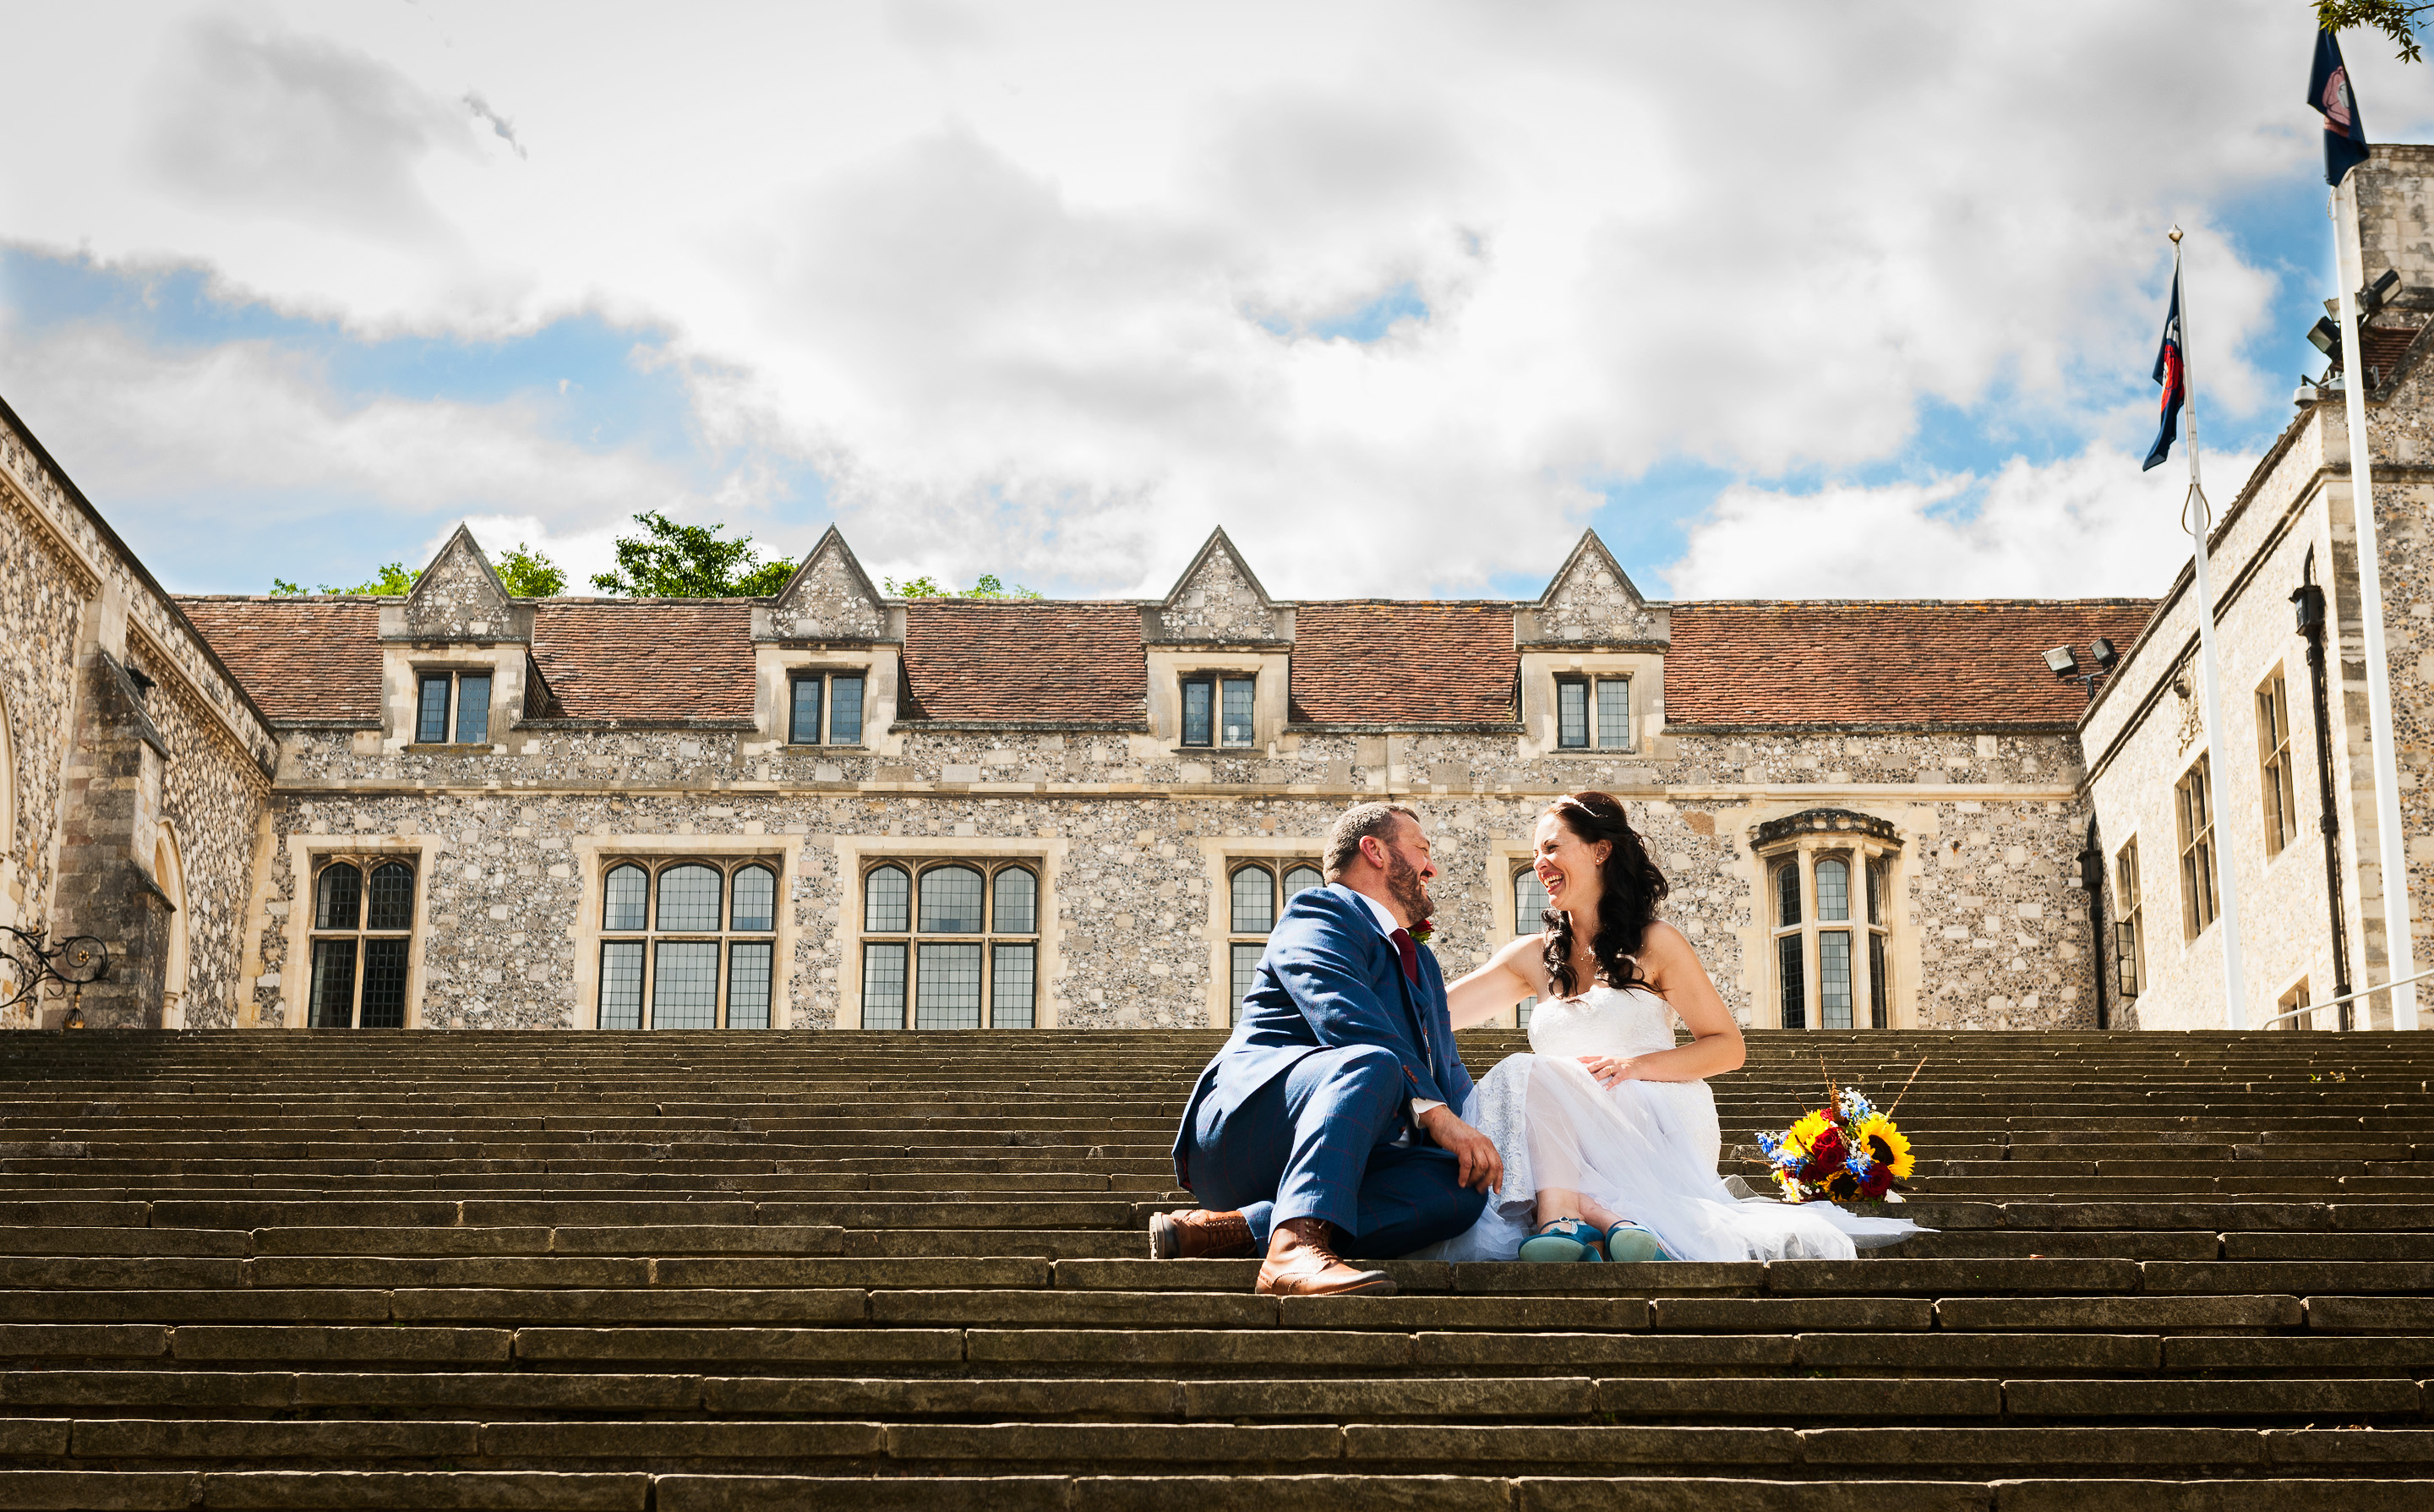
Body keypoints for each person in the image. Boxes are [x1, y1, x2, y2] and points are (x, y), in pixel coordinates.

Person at [1413, 790, 1924, 1264]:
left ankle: (1560, 1220)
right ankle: (1600, 1217)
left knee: (1531, 1072)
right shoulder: (1531, 956)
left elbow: (1728, 1048)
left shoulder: (1656, 943)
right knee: (1530, 1076)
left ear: (1600, 851)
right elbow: (1432, 1011)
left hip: (1654, 1116)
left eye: (1552, 847)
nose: (1539, 863)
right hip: (1562, 1135)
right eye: (1535, 852)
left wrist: (1636, 1066)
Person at [1155, 802, 1503, 1295]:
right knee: (1372, 1060)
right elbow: (1346, 1018)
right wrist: (1440, 1117)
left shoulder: (1421, 961)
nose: (1433, 867)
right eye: (1422, 850)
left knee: (1461, 1192)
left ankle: (1241, 1229)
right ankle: (1293, 1251)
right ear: (1375, 851)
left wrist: (1495, 1145)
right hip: (1250, 1128)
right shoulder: (1320, 910)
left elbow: (1447, 1069)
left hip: (1358, 1150)